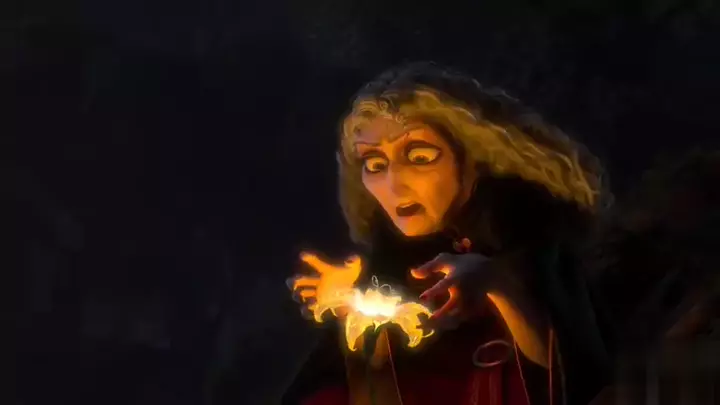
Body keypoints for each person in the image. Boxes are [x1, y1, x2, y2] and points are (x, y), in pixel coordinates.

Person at [284, 62, 611, 405]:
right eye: (375, 165)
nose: (394, 185)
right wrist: (348, 301)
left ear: (471, 157)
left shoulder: (530, 232)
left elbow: (575, 376)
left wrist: (500, 286)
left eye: (420, 157)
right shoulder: (395, 253)